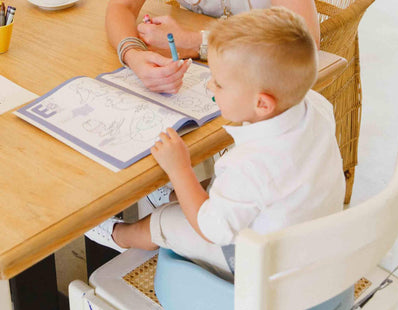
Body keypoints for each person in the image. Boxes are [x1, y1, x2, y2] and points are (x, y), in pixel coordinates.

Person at [86, 7, 345, 280]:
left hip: (260, 268)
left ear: (262, 103)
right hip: (307, 242)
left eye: (219, 84)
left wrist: (180, 170)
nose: (209, 87)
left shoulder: (248, 165)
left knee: (165, 220)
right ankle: (180, 197)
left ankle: (121, 236)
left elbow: (211, 228)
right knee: (210, 191)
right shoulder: (317, 106)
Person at [106, 0, 320, 93]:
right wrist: (133, 55)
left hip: (268, 81)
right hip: (203, 81)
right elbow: (121, 6)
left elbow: (305, 47)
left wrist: (195, 42)